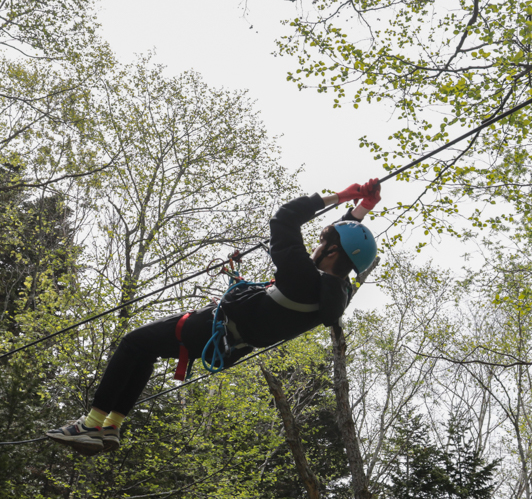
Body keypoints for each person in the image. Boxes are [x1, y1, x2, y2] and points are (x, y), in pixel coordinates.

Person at [46, 179, 381, 454]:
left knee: (132, 343)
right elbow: (345, 246)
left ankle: (90, 425)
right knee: (143, 351)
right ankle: (112, 425)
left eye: (322, 243)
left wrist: (342, 196)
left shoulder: (302, 276)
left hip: (208, 329)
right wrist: (361, 210)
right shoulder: (335, 292)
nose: (314, 246)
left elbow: (285, 218)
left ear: (332, 252)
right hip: (225, 343)